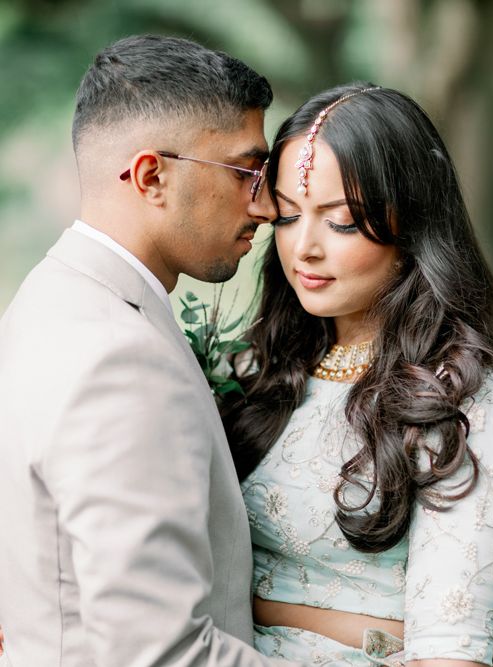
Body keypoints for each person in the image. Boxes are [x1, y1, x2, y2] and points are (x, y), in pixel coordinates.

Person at [0, 35, 298, 667]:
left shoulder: (43, 302)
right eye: (247, 171)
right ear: (151, 176)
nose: (268, 205)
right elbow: (159, 652)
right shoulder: (118, 356)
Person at [222, 84, 493, 666]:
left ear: (411, 224)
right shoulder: (254, 369)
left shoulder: (463, 407)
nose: (304, 248)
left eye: (340, 222)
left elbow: (449, 652)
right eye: (289, 215)